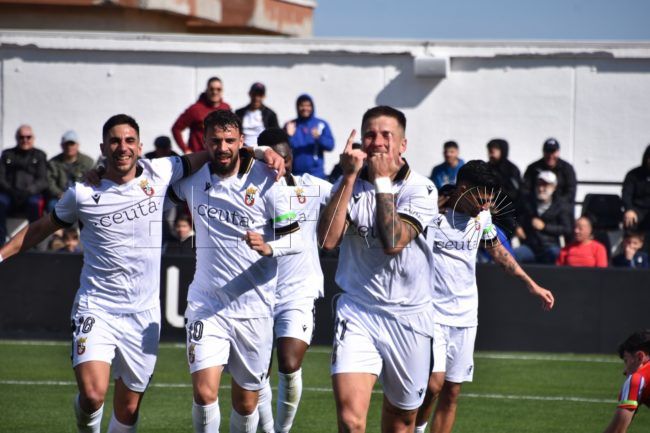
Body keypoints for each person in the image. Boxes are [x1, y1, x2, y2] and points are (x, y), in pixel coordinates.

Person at [0, 114, 209, 432]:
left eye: (129, 141)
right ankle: (86, 417)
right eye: (115, 141)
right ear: (102, 148)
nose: (122, 147)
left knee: (128, 410)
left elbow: (209, 155)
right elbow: (42, 228)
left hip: (143, 315)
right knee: (93, 395)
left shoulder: (161, 171)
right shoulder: (83, 192)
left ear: (140, 146)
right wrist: (1, 254)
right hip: (97, 307)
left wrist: (259, 152)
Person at [167, 110, 302, 433]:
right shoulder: (191, 180)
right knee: (204, 393)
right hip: (207, 304)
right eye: (215, 141)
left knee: (246, 403)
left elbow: (294, 237)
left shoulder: (268, 178)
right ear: (204, 142)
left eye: (230, 140)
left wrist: (270, 247)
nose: (223, 147)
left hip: (254, 309)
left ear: (241, 141)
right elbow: (145, 183)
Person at [317, 106, 438, 433]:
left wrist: (382, 182)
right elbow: (327, 241)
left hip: (409, 317)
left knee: (401, 422)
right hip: (358, 310)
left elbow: (393, 241)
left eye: (387, 135)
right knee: (350, 420)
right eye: (370, 135)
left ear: (403, 144)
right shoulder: (348, 183)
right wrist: (348, 178)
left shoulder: (421, 189)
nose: (378, 142)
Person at [415, 160, 555, 433]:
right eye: (481, 199)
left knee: (452, 391)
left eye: (490, 200)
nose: (485, 206)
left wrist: (531, 284)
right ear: (463, 189)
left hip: (466, 316)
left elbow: (499, 252)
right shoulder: (431, 212)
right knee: (433, 384)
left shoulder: (482, 217)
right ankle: (417, 429)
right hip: (431, 313)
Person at [253, 128, 333, 433]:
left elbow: (348, 197)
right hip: (255, 291)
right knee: (257, 371)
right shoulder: (247, 193)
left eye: (283, 158)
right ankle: (267, 429)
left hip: (298, 291)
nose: (278, 165)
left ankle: (281, 430)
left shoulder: (311, 187)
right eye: (270, 158)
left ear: (290, 158)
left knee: (288, 363)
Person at [0, 125, 48, 245]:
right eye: (21, 137)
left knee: (34, 204)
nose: (25, 140)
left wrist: (28, 191)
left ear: (33, 138)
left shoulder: (39, 155)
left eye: (28, 137)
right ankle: (1, 243)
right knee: (0, 203)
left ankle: (34, 243)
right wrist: (10, 191)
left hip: (30, 194)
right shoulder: (7, 154)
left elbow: (42, 180)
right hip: (10, 194)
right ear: (17, 138)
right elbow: (1, 177)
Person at [513, 170, 573, 264]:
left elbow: (566, 229)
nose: (541, 189)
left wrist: (544, 227)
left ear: (554, 187)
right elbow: (513, 216)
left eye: (545, 185)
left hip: (550, 246)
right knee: (513, 255)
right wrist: (517, 227)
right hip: (529, 246)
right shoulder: (527, 202)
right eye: (539, 185)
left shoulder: (560, 206)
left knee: (555, 254)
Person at [601, 330, 650, 433]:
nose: (624, 371)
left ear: (640, 357)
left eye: (626, 361)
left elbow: (616, 431)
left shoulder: (637, 379)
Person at [172, 76, 232, 154]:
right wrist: (186, 149)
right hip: (199, 155)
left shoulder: (226, 108)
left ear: (222, 91)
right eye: (211, 89)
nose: (215, 92)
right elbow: (176, 129)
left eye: (218, 89)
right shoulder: (195, 109)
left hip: (219, 154)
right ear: (206, 90)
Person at [285, 94, 335, 179]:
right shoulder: (290, 125)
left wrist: (319, 138)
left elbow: (330, 146)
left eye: (308, 105)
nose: (305, 108)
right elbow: (283, 150)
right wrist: (289, 136)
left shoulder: (321, 124)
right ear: (297, 107)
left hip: (317, 174)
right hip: (296, 175)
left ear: (312, 107)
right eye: (302, 105)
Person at [47, 130, 95, 213]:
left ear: (77, 145)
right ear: (61, 146)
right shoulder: (53, 163)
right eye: (66, 144)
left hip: (82, 197)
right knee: (52, 206)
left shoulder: (88, 162)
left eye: (72, 144)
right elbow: (50, 182)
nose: (69, 147)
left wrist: (83, 194)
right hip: (60, 197)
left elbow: (93, 181)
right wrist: (59, 194)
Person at [522, 138, 577, 204]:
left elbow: (570, 194)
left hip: (561, 207)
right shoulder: (533, 168)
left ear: (558, 152)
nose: (550, 156)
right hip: (537, 206)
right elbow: (525, 191)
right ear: (543, 152)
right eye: (547, 152)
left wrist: (555, 207)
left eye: (553, 152)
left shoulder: (567, 169)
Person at [235, 82, 280, 147]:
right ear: (249, 94)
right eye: (254, 94)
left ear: (264, 96)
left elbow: (276, 136)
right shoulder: (239, 113)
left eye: (260, 95)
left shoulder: (270, 114)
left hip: (263, 149)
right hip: (242, 149)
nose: (256, 98)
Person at [621, 144, 650, 231]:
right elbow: (626, 195)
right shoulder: (633, 175)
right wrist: (629, 209)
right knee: (630, 220)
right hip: (637, 209)